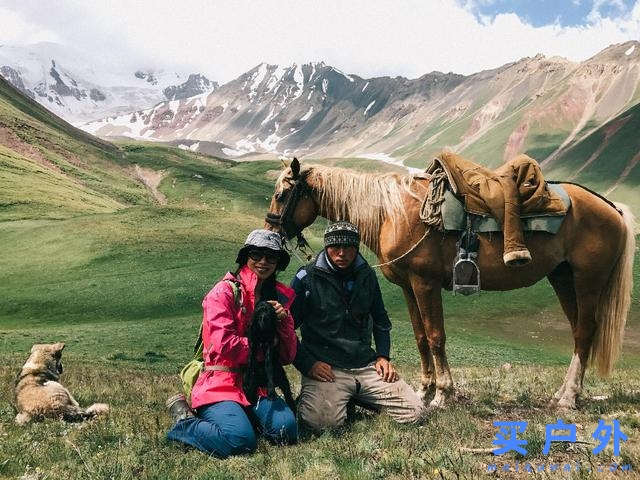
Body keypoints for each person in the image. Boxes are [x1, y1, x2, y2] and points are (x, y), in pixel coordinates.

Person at [166, 229, 298, 457]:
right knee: (240, 441)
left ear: (278, 263)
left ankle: (242, 418)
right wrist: (267, 347)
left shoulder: (278, 300)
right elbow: (225, 345)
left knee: (287, 430)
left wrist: (285, 321)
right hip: (221, 383)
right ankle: (184, 423)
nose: (263, 262)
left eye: (271, 257)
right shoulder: (223, 293)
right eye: (256, 254)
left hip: (256, 385)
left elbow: (287, 356)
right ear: (245, 257)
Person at [291, 221, 426, 430]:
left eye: (349, 247)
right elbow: (287, 330)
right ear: (326, 247)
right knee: (320, 424)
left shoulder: (367, 275)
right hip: (326, 367)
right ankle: (328, 396)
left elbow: (381, 321)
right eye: (336, 247)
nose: (342, 253)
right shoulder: (307, 278)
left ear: (357, 248)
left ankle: (353, 395)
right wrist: (308, 364)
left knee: (414, 412)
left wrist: (382, 356)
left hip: (364, 364)